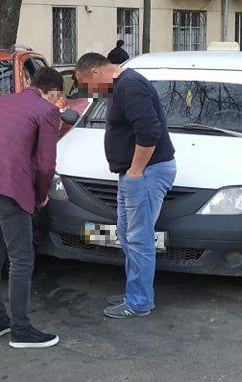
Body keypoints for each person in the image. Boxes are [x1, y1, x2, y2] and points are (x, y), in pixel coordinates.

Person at [0, 67, 65, 348]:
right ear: (53, 93)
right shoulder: (47, 111)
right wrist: (41, 196)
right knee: (21, 259)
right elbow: (46, 164)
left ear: (31, 83)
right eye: (58, 97)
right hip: (8, 188)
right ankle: (21, 330)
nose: (57, 103)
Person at [74, 52, 176, 319]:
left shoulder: (129, 85)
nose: (88, 92)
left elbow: (149, 130)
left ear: (96, 73)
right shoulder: (124, 86)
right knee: (127, 233)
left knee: (139, 238)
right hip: (137, 174)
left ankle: (140, 302)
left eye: (86, 85)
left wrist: (135, 170)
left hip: (146, 174)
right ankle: (135, 292)